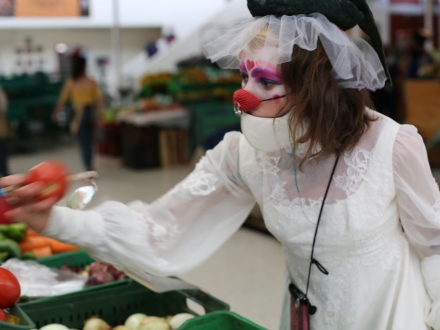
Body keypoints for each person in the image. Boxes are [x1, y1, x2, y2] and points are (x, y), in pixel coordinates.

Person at [3, 1, 440, 329]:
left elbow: (436, 247)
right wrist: (52, 220)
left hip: (389, 313)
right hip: (307, 313)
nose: (244, 94)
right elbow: (158, 229)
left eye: (265, 81)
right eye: (244, 75)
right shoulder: (243, 155)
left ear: (317, 89)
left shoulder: (392, 146)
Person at [52, 53, 105, 171]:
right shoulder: (91, 81)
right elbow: (99, 100)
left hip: (79, 114)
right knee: (90, 140)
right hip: (89, 113)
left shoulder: (71, 82)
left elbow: (62, 100)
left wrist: (56, 113)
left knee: (84, 141)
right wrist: (101, 115)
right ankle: (90, 165)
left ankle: (88, 166)